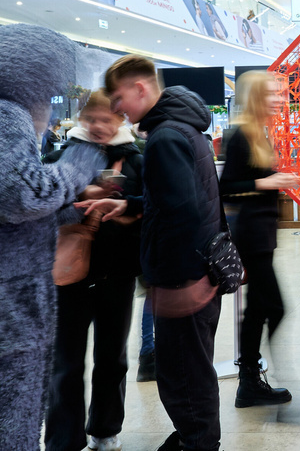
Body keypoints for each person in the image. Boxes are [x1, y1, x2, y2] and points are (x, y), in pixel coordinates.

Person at [83, 55, 223, 451]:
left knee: (183, 377)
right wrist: (130, 204)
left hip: (183, 281)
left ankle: (199, 444)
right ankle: (194, 439)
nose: (116, 108)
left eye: (119, 97)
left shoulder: (164, 137)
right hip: (200, 273)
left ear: (140, 88)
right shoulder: (185, 128)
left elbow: (182, 213)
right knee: (191, 372)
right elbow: (175, 199)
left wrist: (175, 282)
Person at [0, 24, 105, 450]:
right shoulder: (8, 115)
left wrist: (67, 207)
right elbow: (22, 194)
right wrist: (81, 163)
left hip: (15, 302)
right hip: (12, 307)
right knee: (16, 423)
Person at [44, 90, 144, 451]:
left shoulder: (136, 161)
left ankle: (105, 429)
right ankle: (62, 440)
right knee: (65, 361)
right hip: (68, 274)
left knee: (112, 357)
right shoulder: (58, 158)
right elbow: (40, 208)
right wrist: (80, 196)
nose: (100, 126)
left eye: (107, 119)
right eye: (92, 119)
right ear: (81, 121)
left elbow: (149, 211)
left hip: (118, 272)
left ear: (121, 120)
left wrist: (125, 207)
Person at [220, 71, 299, 407]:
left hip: (262, 233)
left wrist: (275, 179)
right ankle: (253, 374)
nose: (280, 98)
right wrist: (268, 183)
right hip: (252, 236)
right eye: (272, 93)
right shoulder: (240, 135)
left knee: (257, 308)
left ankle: (249, 382)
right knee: (275, 307)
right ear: (255, 96)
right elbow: (227, 189)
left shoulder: (257, 133)